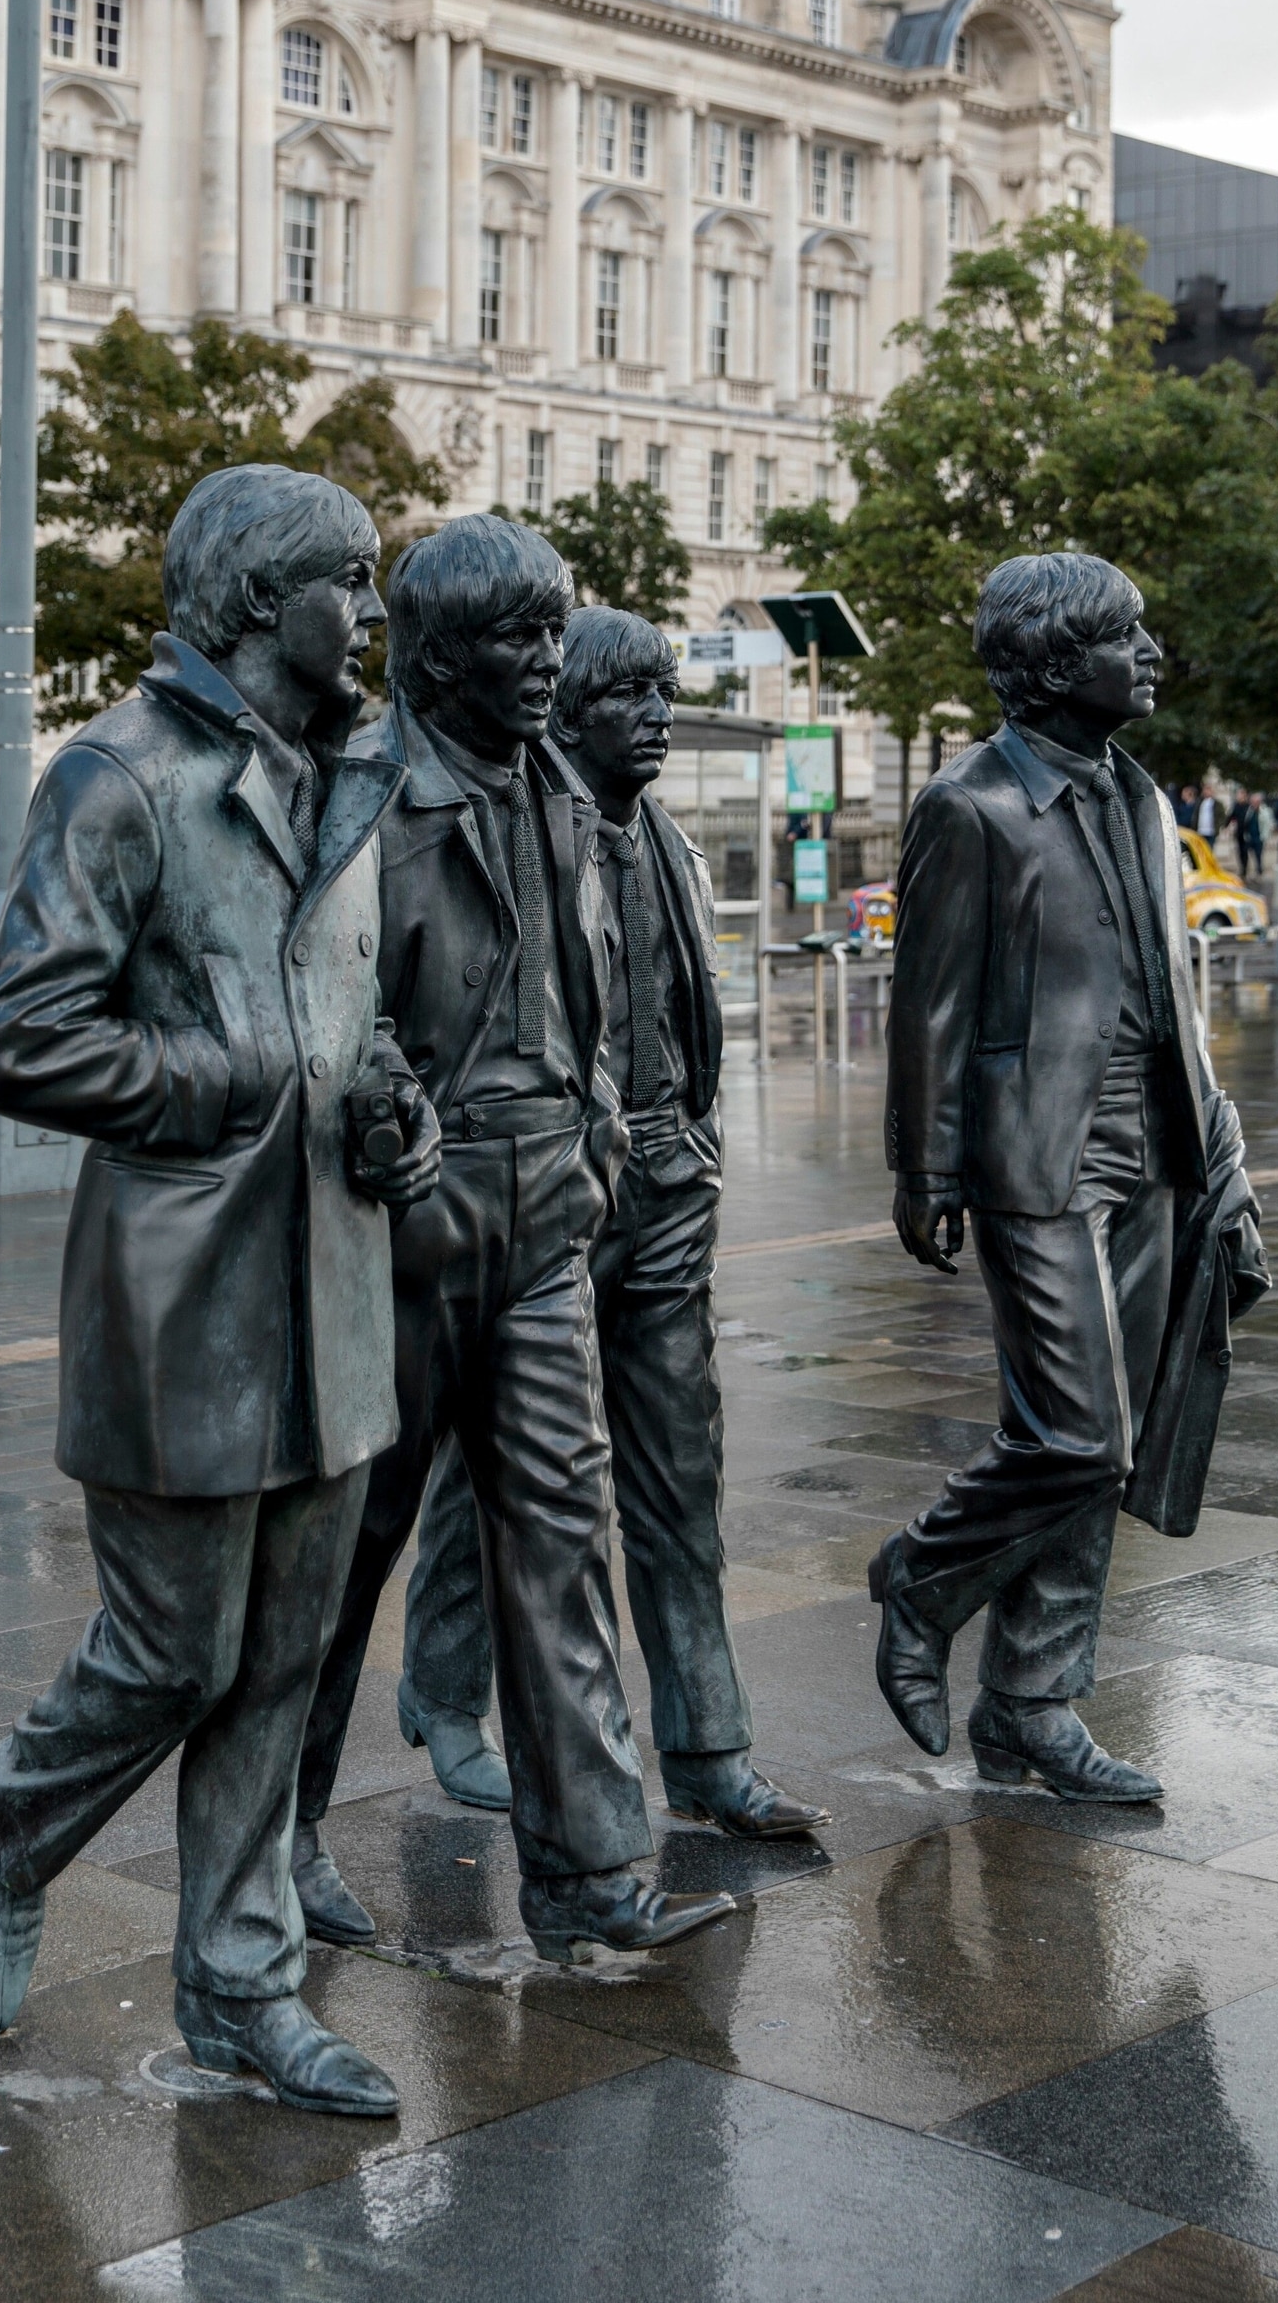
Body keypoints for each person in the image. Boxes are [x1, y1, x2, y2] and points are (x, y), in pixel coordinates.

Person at [0, 465, 443, 2117]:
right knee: (171, 1652)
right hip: (181, 1297)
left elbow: (351, 1023)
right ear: (254, 604)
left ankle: (241, 1986)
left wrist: (388, 1103)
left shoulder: (353, 783)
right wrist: (220, 1079)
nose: (367, 618)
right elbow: (11, 1032)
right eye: (345, 585)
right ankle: (18, 1816)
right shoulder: (121, 777)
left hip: (337, 1291)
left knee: (285, 1661)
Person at [292, 517, 737, 1966]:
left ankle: (591, 1875)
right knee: (342, 1561)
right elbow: (311, 1015)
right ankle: (273, 1842)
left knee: (559, 1543)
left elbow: (592, 985)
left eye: (555, 634)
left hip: (545, 1221)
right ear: (432, 654)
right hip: (402, 1237)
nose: (546, 662)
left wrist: (598, 1124)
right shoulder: (357, 795)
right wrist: (383, 1116)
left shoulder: (559, 781)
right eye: (515, 639)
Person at [397, 608, 827, 1842]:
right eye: (626, 695)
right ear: (566, 712)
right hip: (547, 1198)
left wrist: (690, 1144)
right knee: (512, 1482)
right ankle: (446, 1698)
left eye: (663, 692)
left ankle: (708, 1746)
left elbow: (687, 1020)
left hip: (668, 1192)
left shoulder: (672, 847)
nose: (655, 715)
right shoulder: (519, 840)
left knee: (678, 1481)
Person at [875, 552, 1269, 1801]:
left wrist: (1221, 1152)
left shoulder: (1144, 802)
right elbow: (927, 1006)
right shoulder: (970, 806)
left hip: (1153, 1145)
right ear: (1051, 664)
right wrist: (924, 1163)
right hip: (1029, 1150)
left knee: (1114, 1433)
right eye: (1126, 635)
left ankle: (1031, 1705)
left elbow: (1173, 996)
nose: (1151, 654)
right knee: (1077, 1435)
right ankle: (920, 1578)